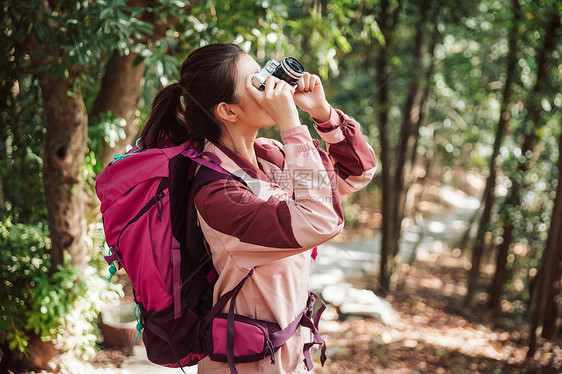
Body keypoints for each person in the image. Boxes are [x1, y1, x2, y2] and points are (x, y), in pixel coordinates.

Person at [139, 43, 377, 373]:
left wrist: (324, 114)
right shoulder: (216, 193)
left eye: (264, 73)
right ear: (228, 111)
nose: (270, 86)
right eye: (256, 81)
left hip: (289, 353)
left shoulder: (270, 155)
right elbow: (321, 221)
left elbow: (355, 175)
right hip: (247, 363)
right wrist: (292, 125)